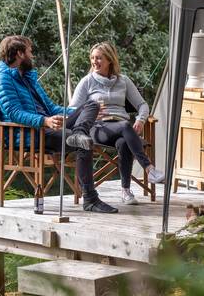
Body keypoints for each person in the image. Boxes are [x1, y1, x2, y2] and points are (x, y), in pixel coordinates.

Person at [0, 35, 118, 213]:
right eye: (29, 51)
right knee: (83, 142)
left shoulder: (27, 77)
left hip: (48, 126)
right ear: (19, 54)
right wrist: (45, 121)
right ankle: (90, 199)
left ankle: (78, 133)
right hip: (29, 133)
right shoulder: (2, 80)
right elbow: (15, 114)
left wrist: (78, 113)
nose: (32, 54)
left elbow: (51, 107)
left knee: (92, 104)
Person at [70, 41, 165, 206]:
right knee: (126, 126)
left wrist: (141, 119)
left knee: (124, 142)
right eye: (92, 58)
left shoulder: (123, 81)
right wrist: (88, 110)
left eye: (99, 58)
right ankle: (149, 169)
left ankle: (125, 191)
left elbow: (142, 105)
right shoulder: (87, 81)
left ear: (109, 60)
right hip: (98, 128)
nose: (94, 61)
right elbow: (72, 110)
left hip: (121, 129)